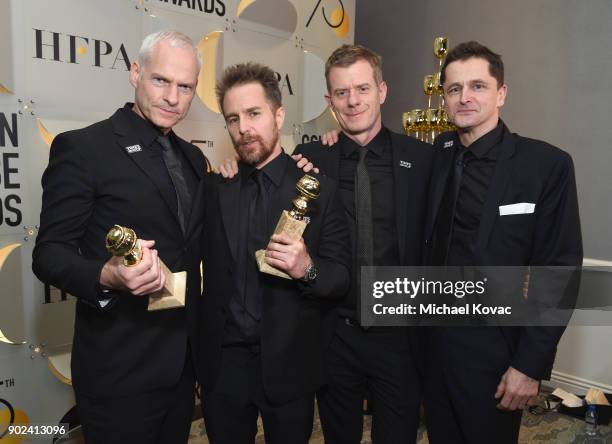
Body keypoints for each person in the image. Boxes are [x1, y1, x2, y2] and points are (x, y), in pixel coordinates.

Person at [32, 30, 208, 444]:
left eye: (185, 87)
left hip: (182, 366)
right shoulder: (84, 148)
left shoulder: (194, 158)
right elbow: (49, 255)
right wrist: (107, 276)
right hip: (119, 370)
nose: (172, 97)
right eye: (160, 80)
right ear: (135, 73)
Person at [423, 41, 583, 444]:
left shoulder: (545, 166)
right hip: (430, 350)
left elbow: (558, 271)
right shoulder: (433, 157)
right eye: (454, 88)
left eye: (477, 85)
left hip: (494, 357)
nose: (465, 97)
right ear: (444, 97)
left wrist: (529, 365)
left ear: (502, 94)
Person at [198, 62, 351, 444]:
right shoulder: (216, 187)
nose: (243, 128)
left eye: (254, 114)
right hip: (225, 364)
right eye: (233, 119)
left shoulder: (317, 189)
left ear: (278, 115)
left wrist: (307, 268)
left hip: (290, 366)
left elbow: (340, 277)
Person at [294, 44, 435, 444]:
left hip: (399, 335)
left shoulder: (422, 160)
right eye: (342, 92)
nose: (353, 101)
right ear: (329, 100)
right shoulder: (309, 159)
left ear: (382, 91)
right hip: (334, 332)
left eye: (362, 89)